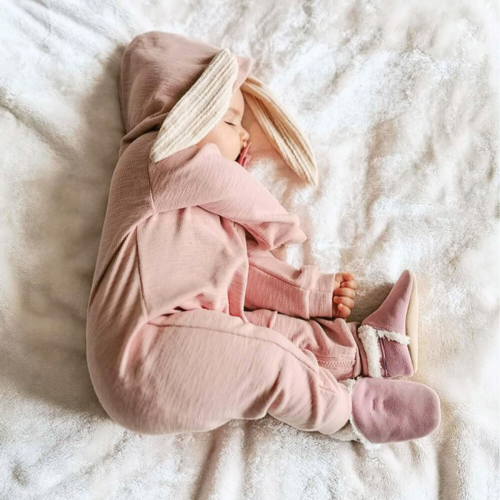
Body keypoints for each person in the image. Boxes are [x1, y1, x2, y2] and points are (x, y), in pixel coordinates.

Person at [86, 30, 440, 446]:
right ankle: (349, 414)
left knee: (263, 330)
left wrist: (313, 293)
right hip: (140, 357)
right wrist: (283, 225)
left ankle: (367, 352)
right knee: (270, 361)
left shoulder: (188, 213)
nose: (244, 135)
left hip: (188, 326)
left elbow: (243, 270)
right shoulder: (151, 157)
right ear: (187, 112)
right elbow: (230, 188)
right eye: (232, 120)